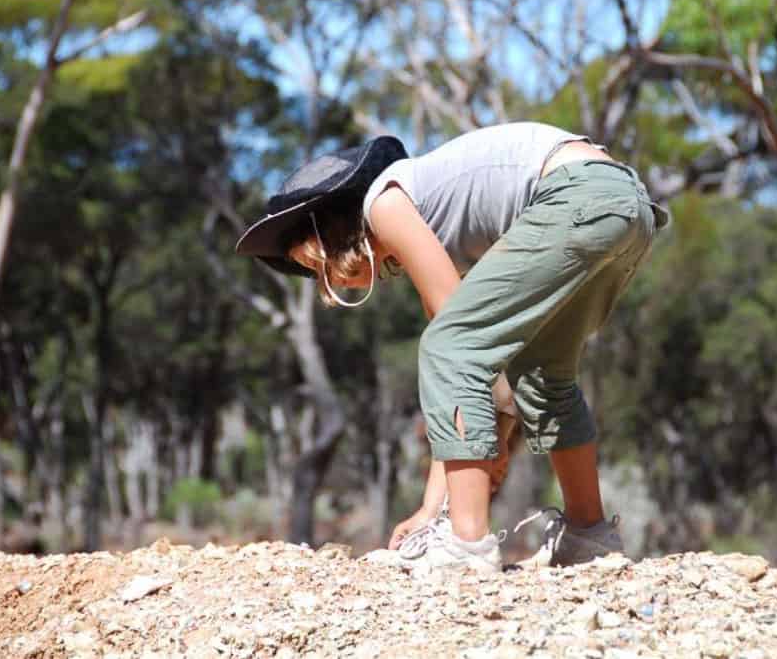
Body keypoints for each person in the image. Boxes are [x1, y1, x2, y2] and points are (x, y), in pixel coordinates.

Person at [236, 122, 669, 573]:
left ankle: (465, 544)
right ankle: (588, 537)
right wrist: (436, 500)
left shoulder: (384, 201)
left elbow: (458, 352)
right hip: (625, 206)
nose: (329, 280)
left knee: (451, 346)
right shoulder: (427, 218)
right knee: (544, 373)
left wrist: (456, 485)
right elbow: (476, 369)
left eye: (319, 263)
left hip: (577, 198)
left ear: (334, 230)